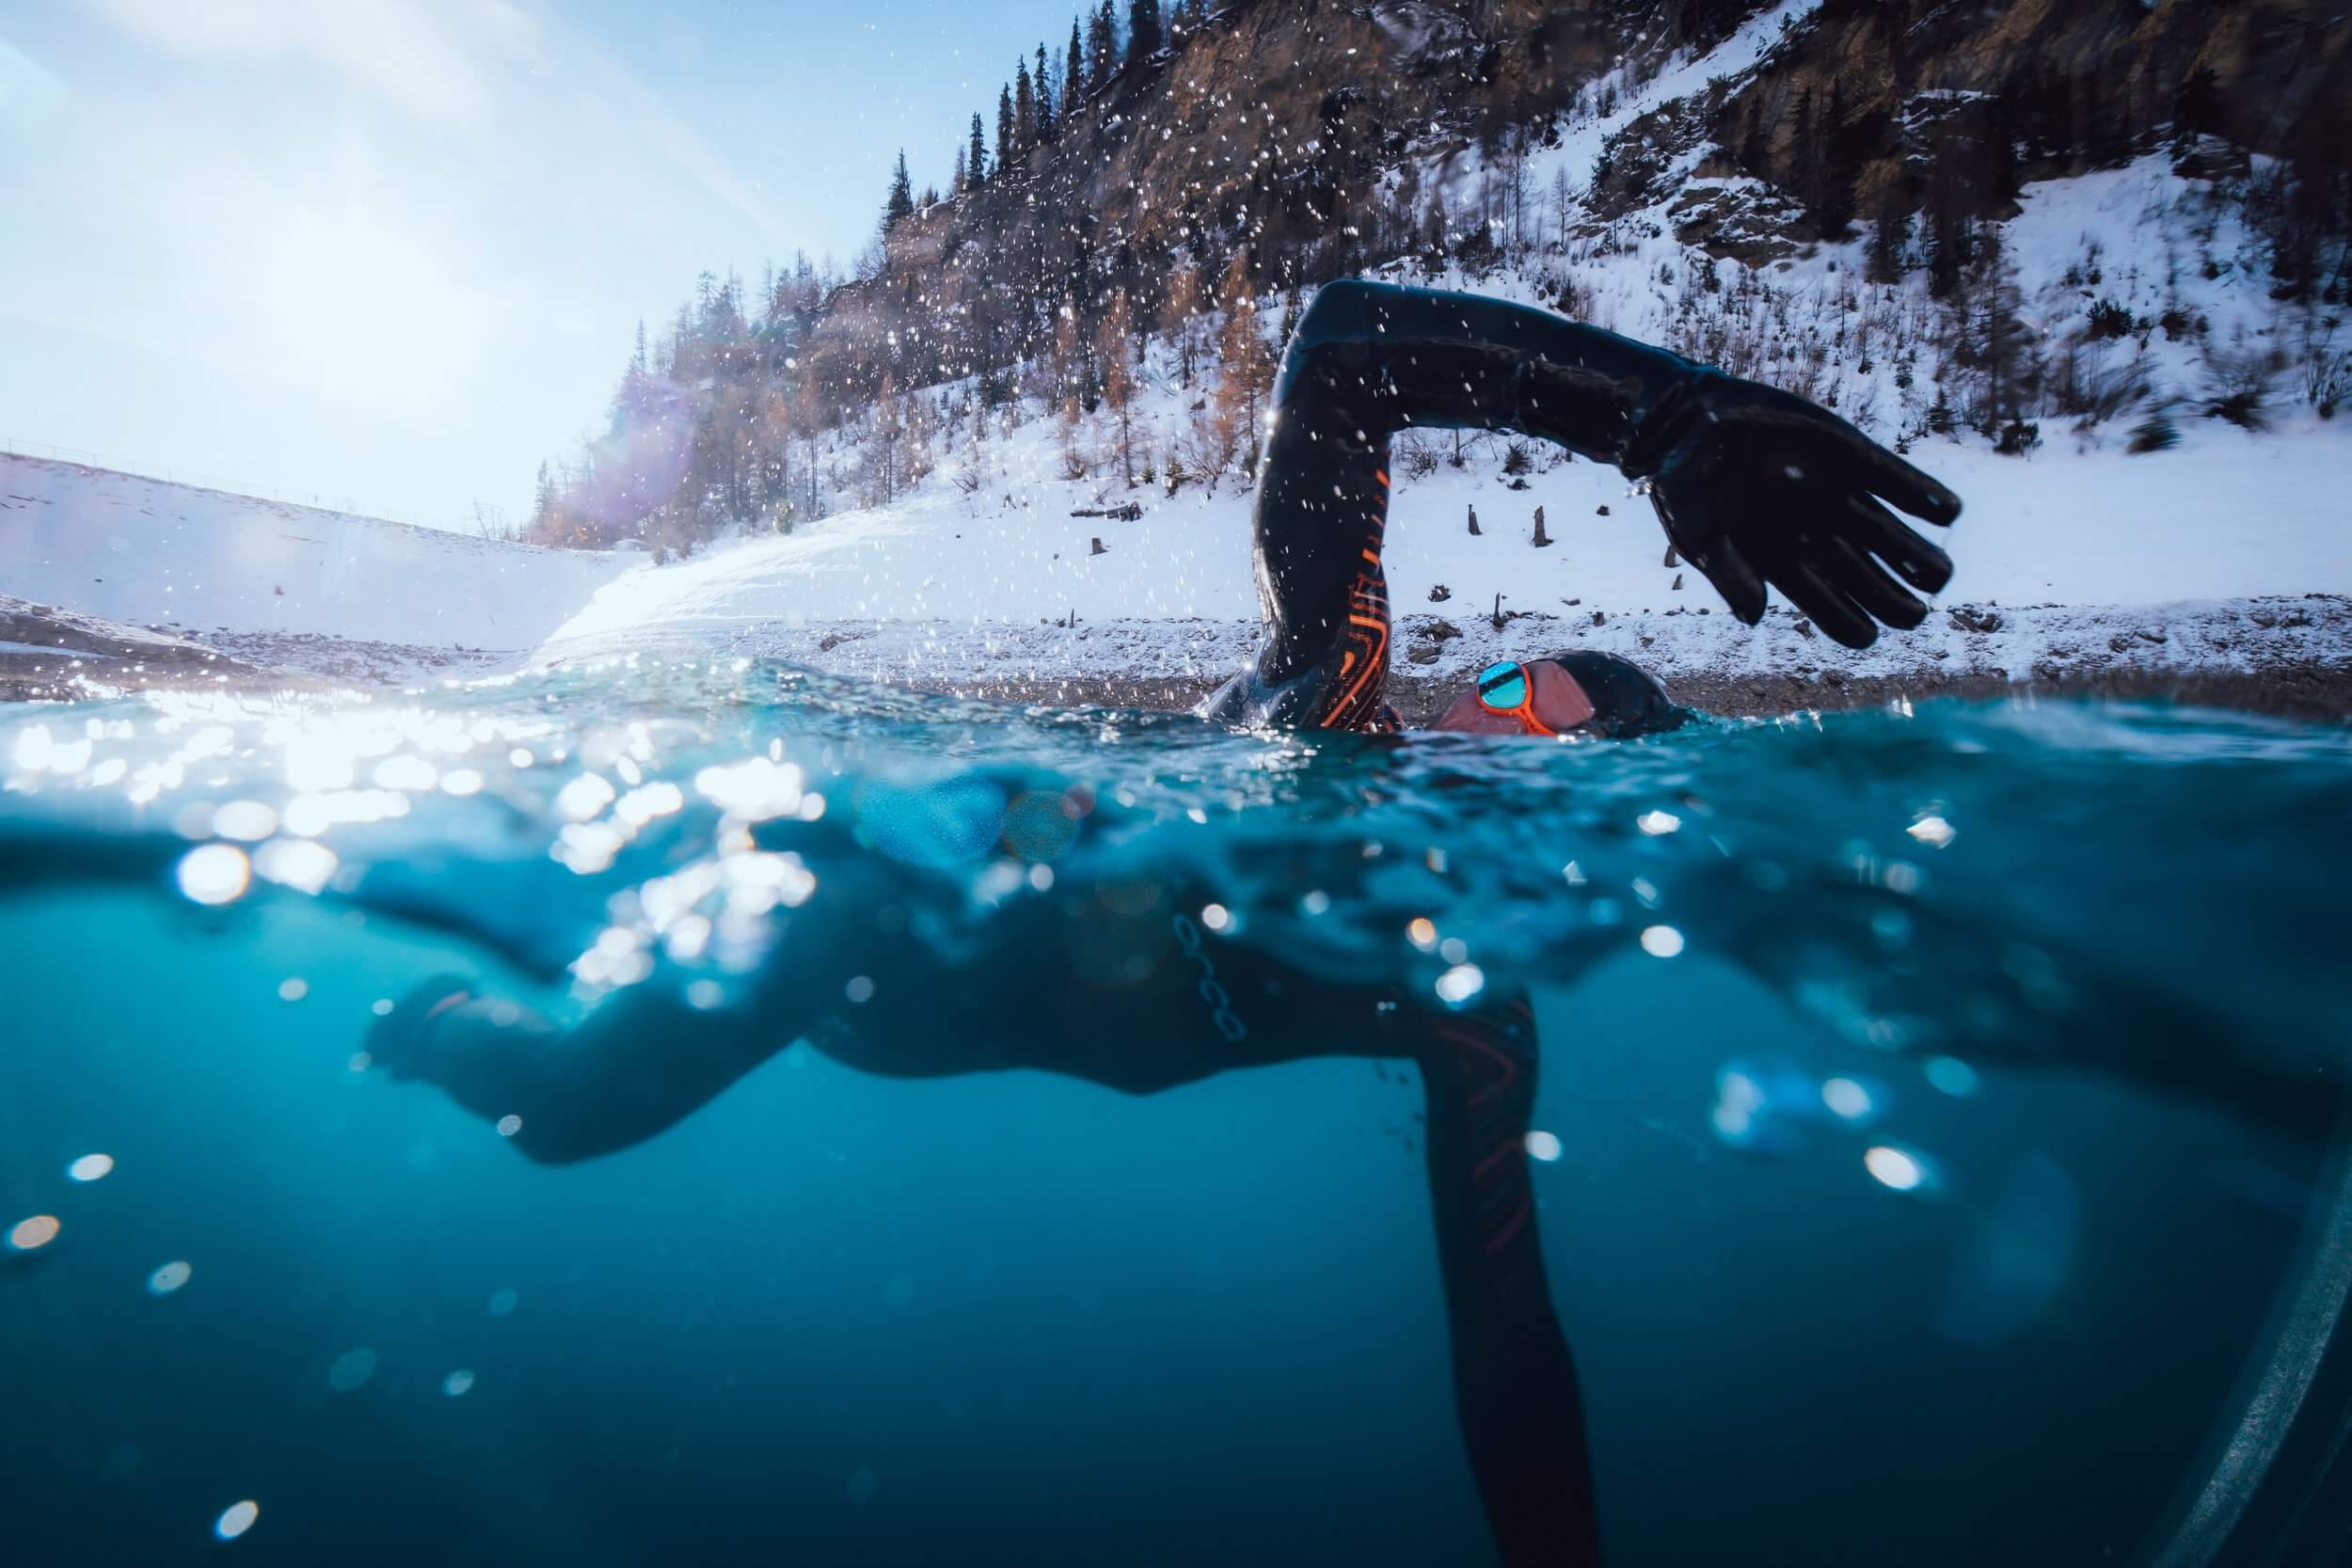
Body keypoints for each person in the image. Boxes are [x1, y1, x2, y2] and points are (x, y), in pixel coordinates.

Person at [365, 281, 1966, 1568]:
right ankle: (439, 1015)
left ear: (1583, 802)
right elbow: (1342, 344)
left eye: (1547, 704)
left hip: (914, 1031)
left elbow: (1510, 1339)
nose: (1490, 709)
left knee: (577, 1112)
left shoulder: (1474, 1011)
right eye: (1502, 674)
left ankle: (485, 1002)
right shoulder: (1320, 708)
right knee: (571, 1109)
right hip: (849, 909)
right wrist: (1661, 417)